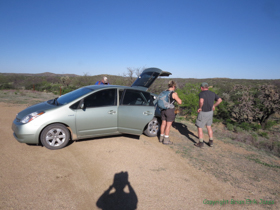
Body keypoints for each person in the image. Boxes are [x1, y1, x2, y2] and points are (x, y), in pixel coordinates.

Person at [195, 82, 222, 148]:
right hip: (210, 112)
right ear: (207, 87)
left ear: (201, 87)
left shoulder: (201, 93)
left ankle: (201, 143)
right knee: (209, 126)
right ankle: (211, 141)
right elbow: (220, 100)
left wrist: (200, 108)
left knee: (200, 127)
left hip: (203, 112)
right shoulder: (212, 93)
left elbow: (201, 101)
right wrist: (214, 105)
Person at [160, 80, 182, 145]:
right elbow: (180, 102)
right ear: (173, 86)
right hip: (170, 110)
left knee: (163, 124)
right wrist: (176, 96)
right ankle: (166, 140)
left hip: (163, 109)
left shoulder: (164, 92)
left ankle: (161, 138)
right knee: (168, 126)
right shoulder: (173, 93)